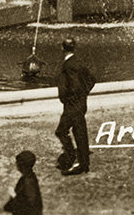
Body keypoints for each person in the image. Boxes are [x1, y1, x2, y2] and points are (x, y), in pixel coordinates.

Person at [55, 37, 96, 176]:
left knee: (61, 131)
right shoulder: (78, 62)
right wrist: (84, 95)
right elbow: (92, 79)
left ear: (62, 48)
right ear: (74, 48)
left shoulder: (68, 65)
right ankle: (83, 163)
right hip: (80, 104)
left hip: (72, 106)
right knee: (80, 132)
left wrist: (69, 99)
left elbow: (73, 86)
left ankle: (72, 157)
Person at [3, 150, 42, 215]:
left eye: (17, 162)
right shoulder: (29, 176)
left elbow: (30, 206)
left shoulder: (28, 182)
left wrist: (14, 196)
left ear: (21, 165)